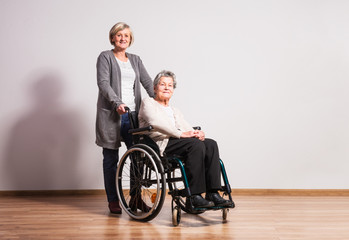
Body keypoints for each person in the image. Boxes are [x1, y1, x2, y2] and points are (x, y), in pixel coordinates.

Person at [138, 70, 233, 208]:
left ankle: (212, 192)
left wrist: (196, 133)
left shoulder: (174, 110)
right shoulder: (148, 103)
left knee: (210, 144)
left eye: (170, 85)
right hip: (159, 144)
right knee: (195, 146)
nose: (166, 87)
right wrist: (182, 134)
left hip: (177, 142)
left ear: (173, 90)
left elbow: (186, 128)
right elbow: (155, 122)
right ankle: (194, 196)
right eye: (162, 84)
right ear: (154, 88)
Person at [96, 22, 154, 214]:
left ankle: (136, 198)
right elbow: (103, 83)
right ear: (113, 37)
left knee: (138, 157)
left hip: (134, 116)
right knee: (111, 159)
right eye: (119, 35)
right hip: (112, 115)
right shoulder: (105, 57)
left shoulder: (136, 60)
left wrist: (160, 101)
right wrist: (117, 103)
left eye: (126, 36)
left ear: (130, 39)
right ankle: (113, 200)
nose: (123, 38)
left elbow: (147, 82)